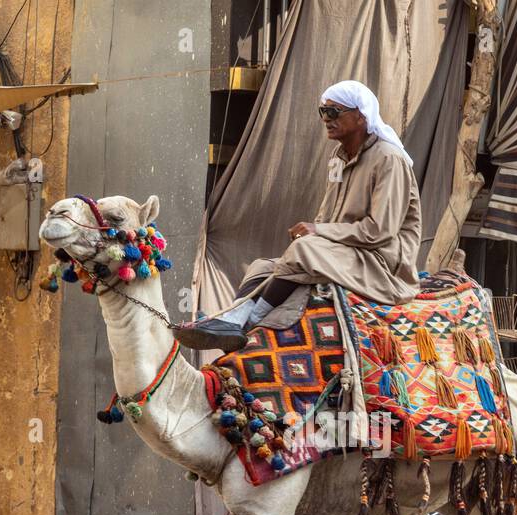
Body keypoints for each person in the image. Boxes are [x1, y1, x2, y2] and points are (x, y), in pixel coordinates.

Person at [175, 79, 421, 352]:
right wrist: (315, 232)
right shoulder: (338, 158)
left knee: (305, 249)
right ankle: (233, 316)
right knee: (262, 266)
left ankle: (250, 323)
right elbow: (326, 216)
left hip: (380, 261)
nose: (326, 119)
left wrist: (318, 233)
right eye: (322, 112)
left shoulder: (388, 159)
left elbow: (380, 231)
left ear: (360, 116)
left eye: (334, 112)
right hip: (344, 252)